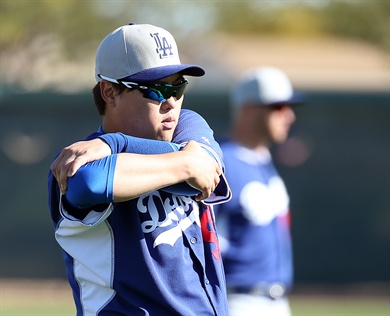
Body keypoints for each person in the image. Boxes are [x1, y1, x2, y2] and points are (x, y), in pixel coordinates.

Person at [47, 23, 231, 315]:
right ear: (109, 92)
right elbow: (91, 183)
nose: (171, 102)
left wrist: (115, 143)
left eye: (178, 86)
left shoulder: (187, 125)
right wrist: (187, 163)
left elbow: (207, 166)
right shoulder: (79, 160)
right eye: (156, 90)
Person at [213, 67, 303, 316]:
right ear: (249, 109)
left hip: (276, 301)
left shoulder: (263, 159)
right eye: (278, 107)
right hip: (237, 301)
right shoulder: (220, 161)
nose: (289, 116)